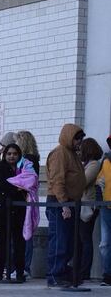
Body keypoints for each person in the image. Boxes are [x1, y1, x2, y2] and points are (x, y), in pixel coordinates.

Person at [45, 123, 86, 288]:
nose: (79, 143)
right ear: (69, 137)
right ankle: (54, 274)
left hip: (70, 201)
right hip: (59, 201)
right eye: (77, 139)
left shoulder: (72, 154)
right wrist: (64, 204)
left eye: (80, 140)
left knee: (69, 241)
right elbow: (57, 180)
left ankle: (62, 271)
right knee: (59, 240)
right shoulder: (60, 153)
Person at [0, 143, 27, 283]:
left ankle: (19, 272)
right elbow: (3, 185)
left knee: (19, 243)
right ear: (4, 155)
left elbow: (28, 183)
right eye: (9, 154)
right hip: (4, 210)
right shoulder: (1, 168)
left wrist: (19, 187)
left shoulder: (23, 168)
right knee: (2, 244)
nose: (12, 156)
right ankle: (0, 273)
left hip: (18, 210)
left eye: (14, 154)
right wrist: (17, 188)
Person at [15, 130, 40, 278]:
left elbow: (27, 180)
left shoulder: (28, 160)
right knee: (25, 231)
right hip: (29, 198)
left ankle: (24, 266)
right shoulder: (33, 158)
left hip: (26, 199)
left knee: (26, 231)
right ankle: (24, 266)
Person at [78, 138, 103, 281]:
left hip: (88, 206)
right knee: (80, 239)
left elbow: (83, 181)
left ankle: (84, 271)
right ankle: (79, 269)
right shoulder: (85, 164)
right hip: (81, 205)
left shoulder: (94, 164)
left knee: (85, 239)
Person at [97, 138, 111, 286]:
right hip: (106, 207)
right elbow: (98, 182)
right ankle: (107, 275)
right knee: (105, 243)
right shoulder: (105, 161)